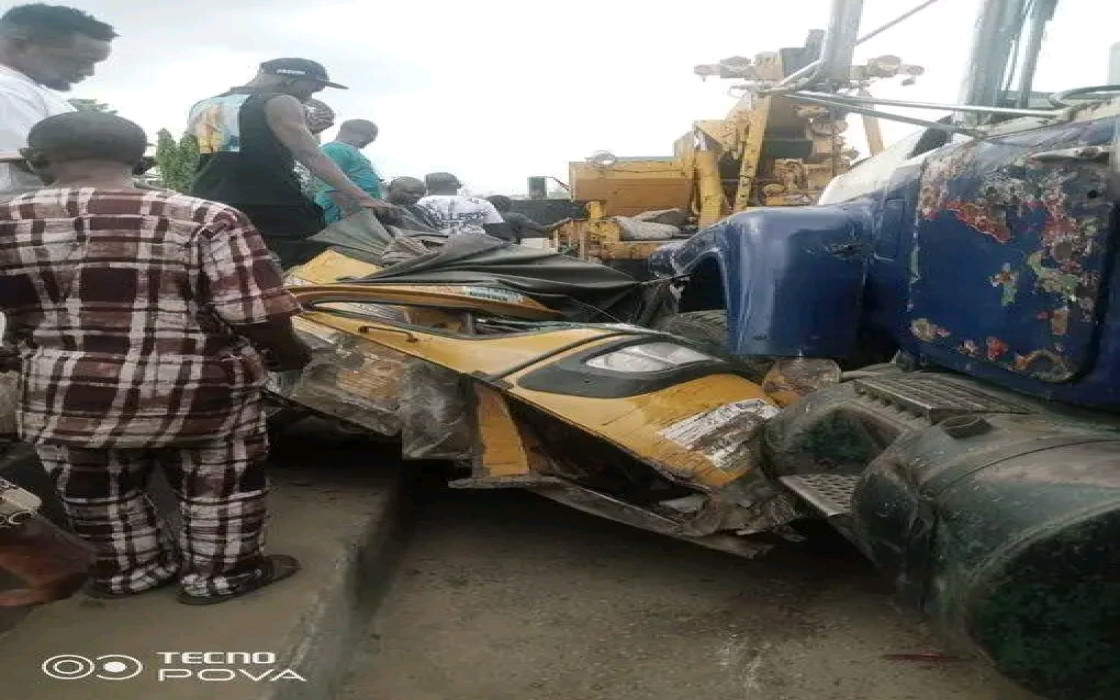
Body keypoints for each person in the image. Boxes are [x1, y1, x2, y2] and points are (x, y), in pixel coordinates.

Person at [0, 111, 311, 604]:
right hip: (200, 389)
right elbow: (254, 314)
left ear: (37, 162)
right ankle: (221, 577)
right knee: (220, 486)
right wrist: (291, 353)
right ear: (142, 160)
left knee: (95, 492)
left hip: (61, 391)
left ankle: (130, 572)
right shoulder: (209, 217)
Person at [187, 57, 394, 269]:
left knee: (228, 263)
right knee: (315, 260)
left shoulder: (205, 105)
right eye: (313, 89)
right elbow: (309, 154)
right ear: (289, 79)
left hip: (210, 197)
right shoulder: (280, 101)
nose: (309, 97)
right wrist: (363, 198)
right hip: (270, 201)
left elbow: (229, 150)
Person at [0, 4, 116, 194]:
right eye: (80, 61)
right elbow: (32, 167)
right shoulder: (7, 91)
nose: (89, 72)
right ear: (18, 45)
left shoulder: (30, 91)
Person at [314, 119, 382, 224]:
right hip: (339, 216)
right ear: (353, 132)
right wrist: (351, 214)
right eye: (370, 135)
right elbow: (330, 184)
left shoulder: (350, 151)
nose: (372, 139)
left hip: (356, 214)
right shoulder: (336, 149)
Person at [417, 172, 512, 240]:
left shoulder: (421, 203)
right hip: (477, 248)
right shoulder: (482, 203)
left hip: (435, 249)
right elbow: (497, 231)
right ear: (457, 185)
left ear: (428, 186)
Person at [486, 195, 568, 244]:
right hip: (511, 251)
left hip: (484, 254)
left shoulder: (481, 218)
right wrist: (564, 221)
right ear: (506, 204)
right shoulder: (515, 217)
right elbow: (545, 230)